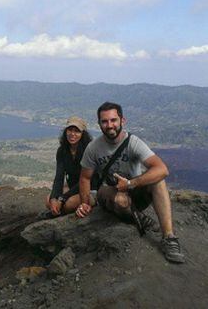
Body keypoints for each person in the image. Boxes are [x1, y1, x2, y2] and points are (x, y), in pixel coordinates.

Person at [76, 101, 185, 263]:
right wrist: (85, 203)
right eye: (104, 121)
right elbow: (85, 177)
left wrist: (130, 184)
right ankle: (137, 217)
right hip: (110, 193)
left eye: (113, 120)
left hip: (134, 190)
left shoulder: (133, 142)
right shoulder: (94, 148)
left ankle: (169, 237)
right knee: (119, 199)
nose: (109, 125)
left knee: (158, 181)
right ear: (99, 124)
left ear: (122, 121)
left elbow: (162, 169)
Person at [44, 116, 98, 218]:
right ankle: (58, 210)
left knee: (69, 203)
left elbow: (86, 181)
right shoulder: (62, 151)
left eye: (77, 131)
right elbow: (59, 177)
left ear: (83, 134)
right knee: (48, 201)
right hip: (72, 186)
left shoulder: (89, 151)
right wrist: (54, 198)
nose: (72, 134)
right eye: (70, 130)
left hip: (90, 189)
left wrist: (62, 198)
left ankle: (59, 213)